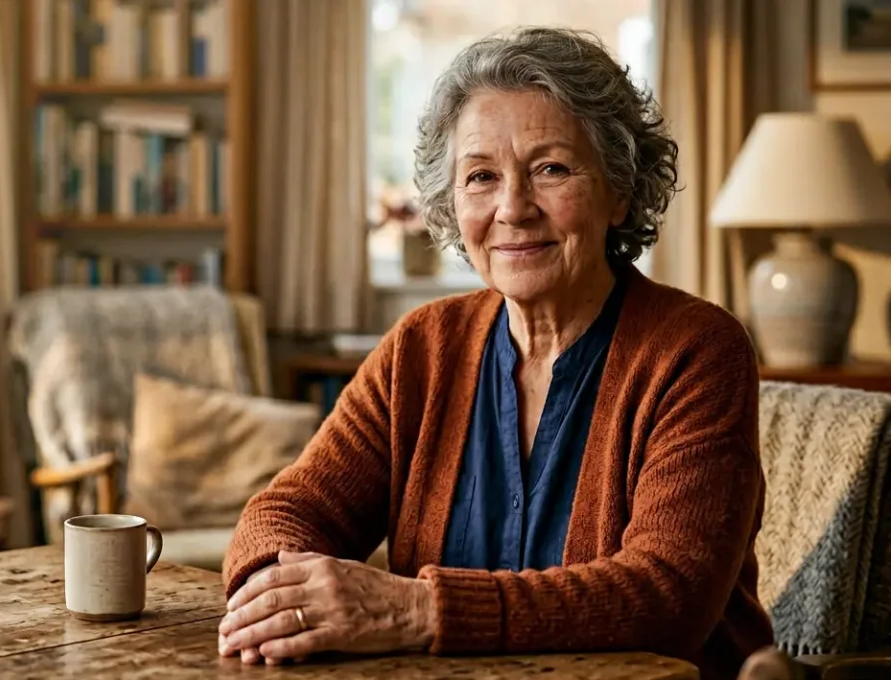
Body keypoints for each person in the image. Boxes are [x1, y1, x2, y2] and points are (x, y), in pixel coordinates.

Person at [218, 26, 773, 680]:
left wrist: (419, 610)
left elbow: (666, 595)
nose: (513, 208)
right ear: (453, 204)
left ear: (619, 191)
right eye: (481, 176)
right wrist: (282, 594)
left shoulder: (696, 350)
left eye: (551, 168)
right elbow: (286, 512)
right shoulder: (422, 347)